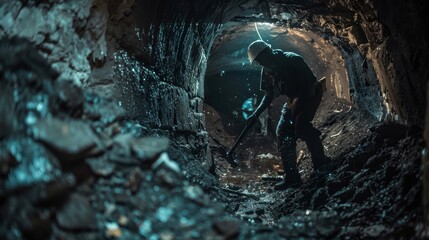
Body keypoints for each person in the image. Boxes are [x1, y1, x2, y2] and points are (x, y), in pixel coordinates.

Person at [246, 40, 330, 190]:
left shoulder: (293, 60)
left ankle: (321, 162)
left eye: (262, 59)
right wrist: (256, 113)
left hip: (310, 93)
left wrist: (297, 111)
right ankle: (292, 178)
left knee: (301, 127)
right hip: (293, 98)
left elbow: (307, 86)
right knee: (283, 132)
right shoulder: (267, 69)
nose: (261, 63)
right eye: (258, 61)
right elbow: (269, 94)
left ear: (268, 51)